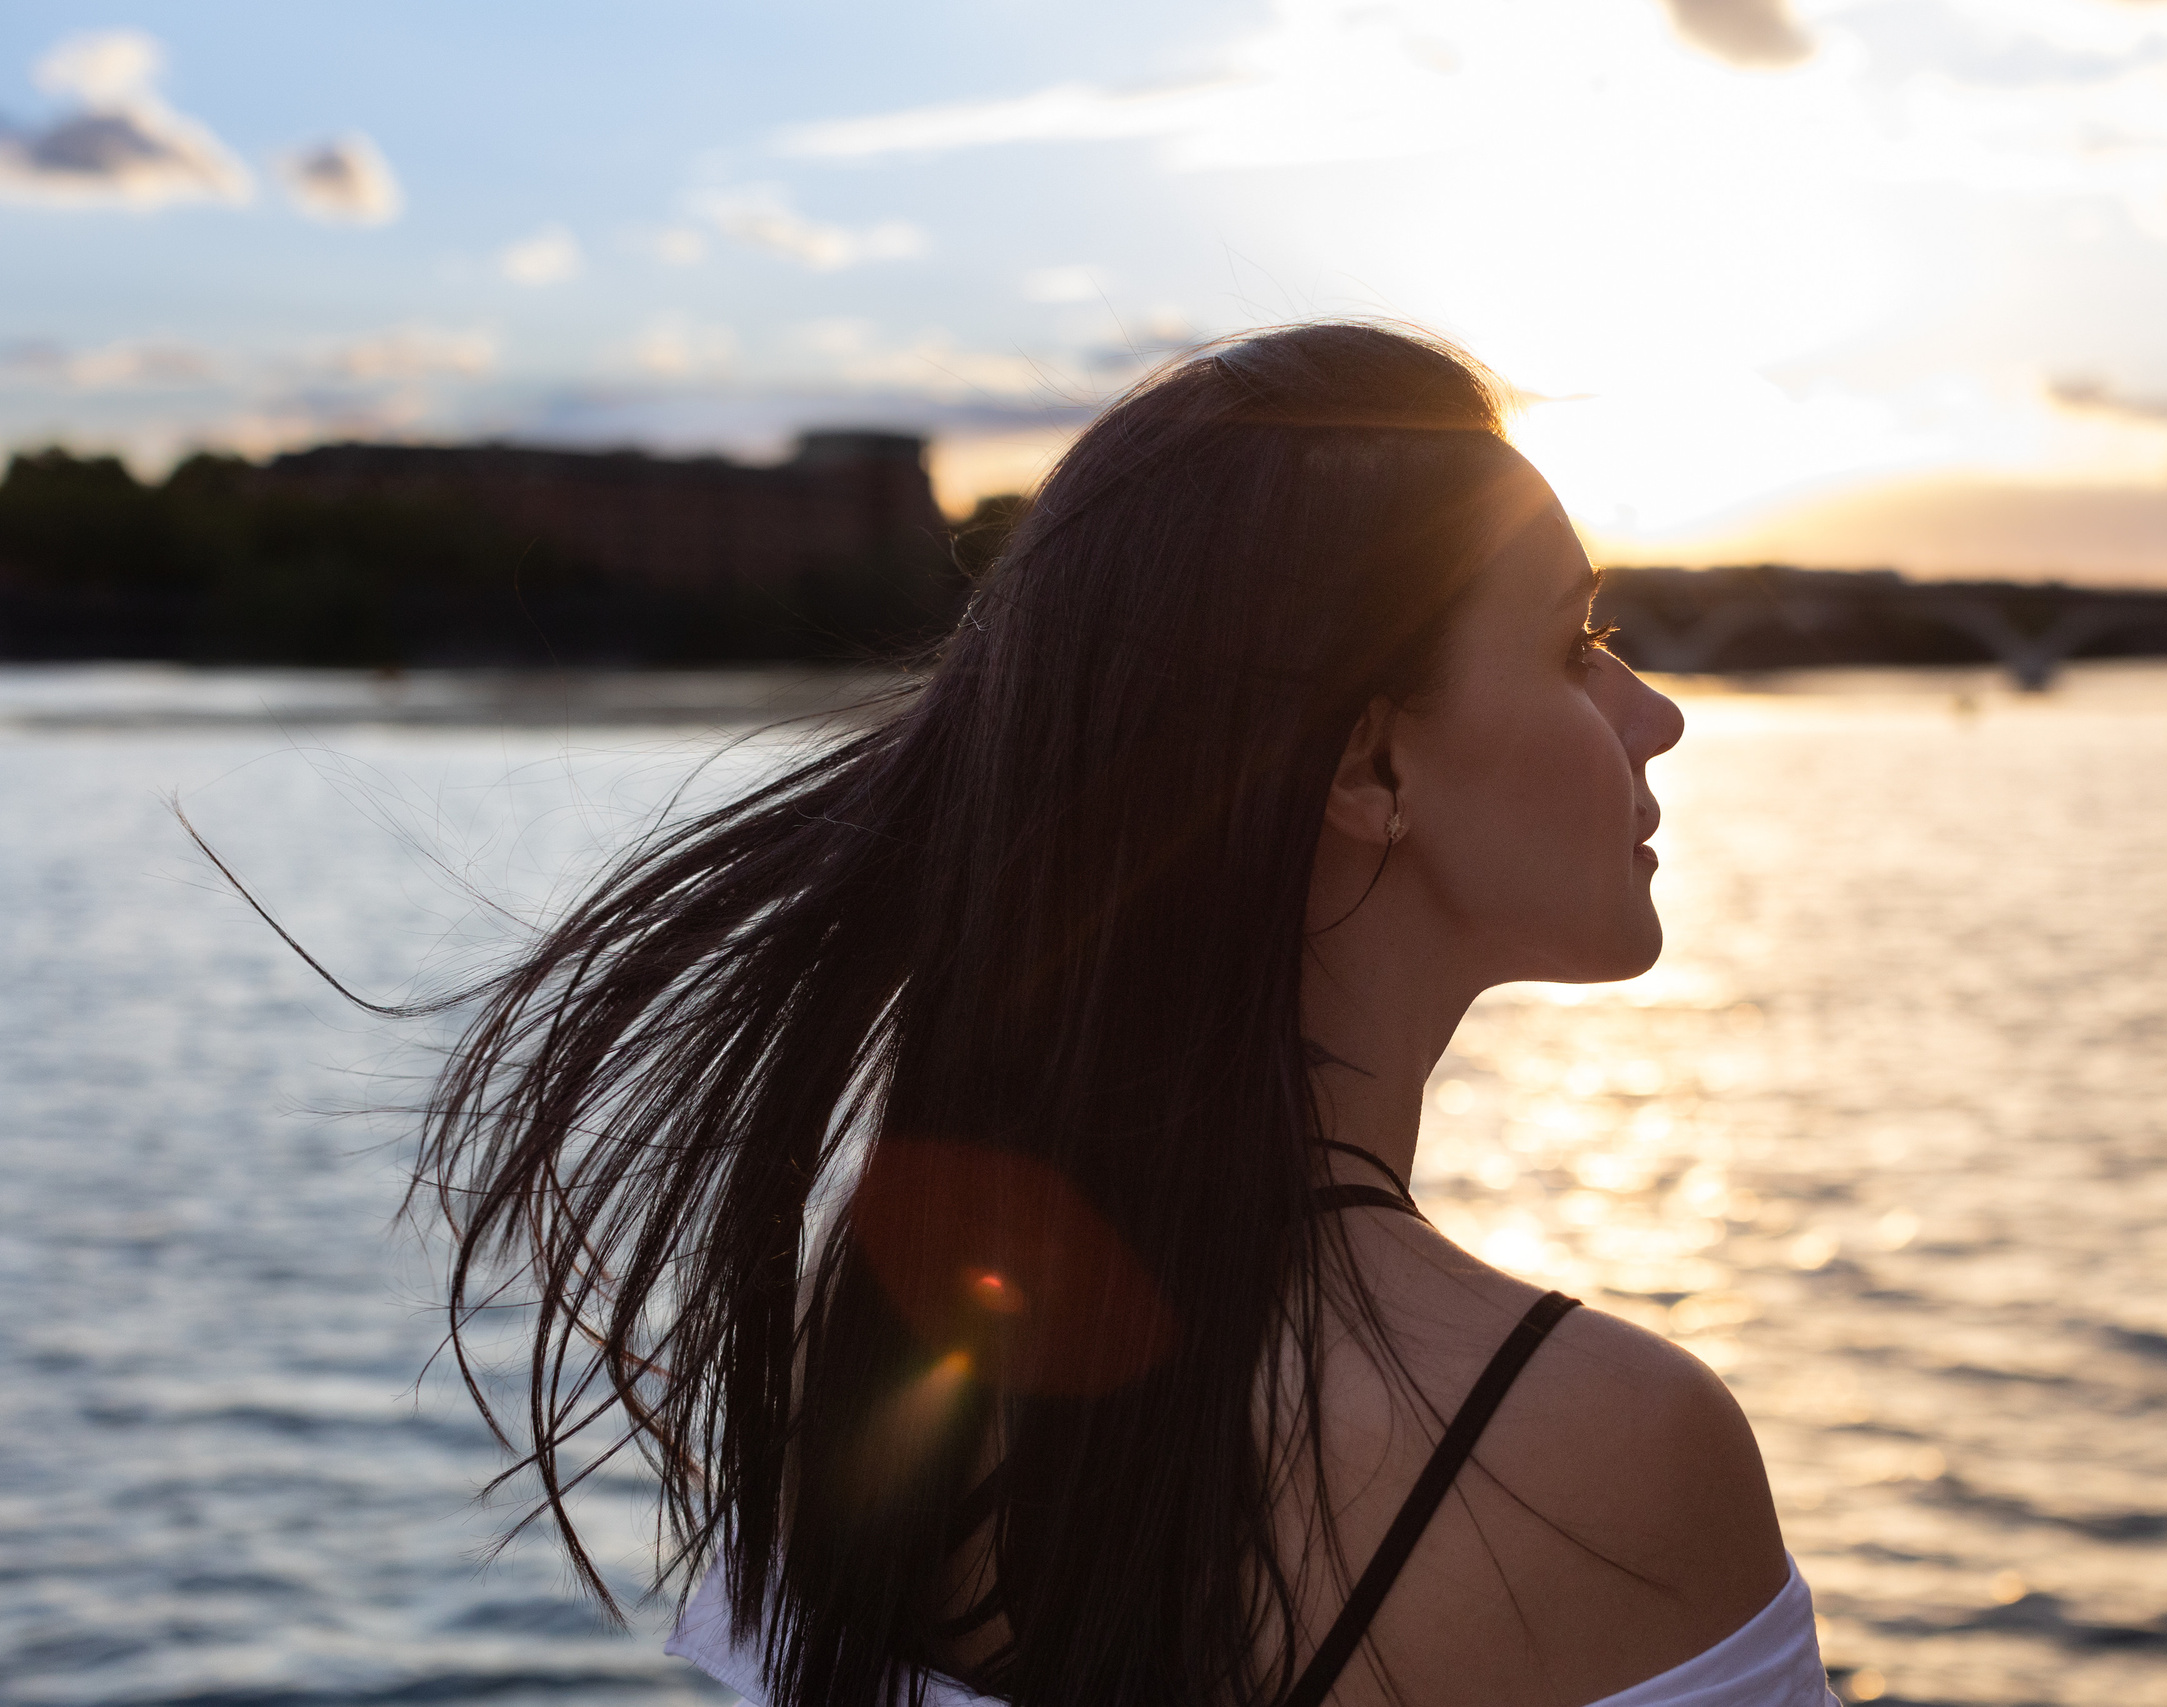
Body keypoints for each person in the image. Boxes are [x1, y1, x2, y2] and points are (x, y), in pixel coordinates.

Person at [418, 322, 1837, 1707]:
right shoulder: (1598, 1455)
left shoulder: (873, 1356)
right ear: (1369, 765)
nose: (1655, 715)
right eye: (1573, 643)